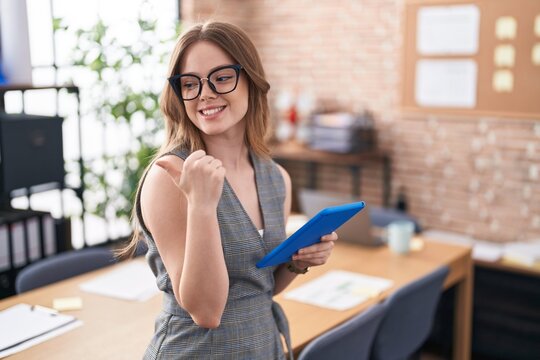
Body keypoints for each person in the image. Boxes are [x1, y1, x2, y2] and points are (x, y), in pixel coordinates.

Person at [120, 21, 338, 359]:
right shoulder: (169, 177)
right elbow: (206, 312)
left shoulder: (275, 177)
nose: (205, 93)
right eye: (190, 84)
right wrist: (202, 205)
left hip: (262, 346)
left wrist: (299, 262)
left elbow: (259, 287)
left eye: (221, 77)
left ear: (250, 80)